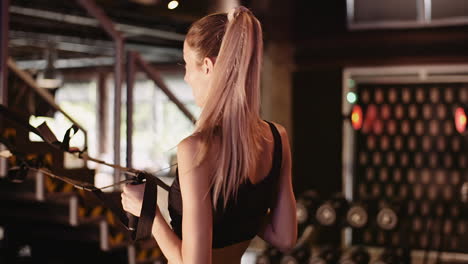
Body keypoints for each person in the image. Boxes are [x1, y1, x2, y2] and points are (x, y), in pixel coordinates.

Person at [121, 6, 297, 264]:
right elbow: (284, 237)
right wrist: (244, 209)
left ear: (207, 66)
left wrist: (150, 215)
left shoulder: (196, 148)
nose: (186, 77)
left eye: (186, 64)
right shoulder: (276, 137)